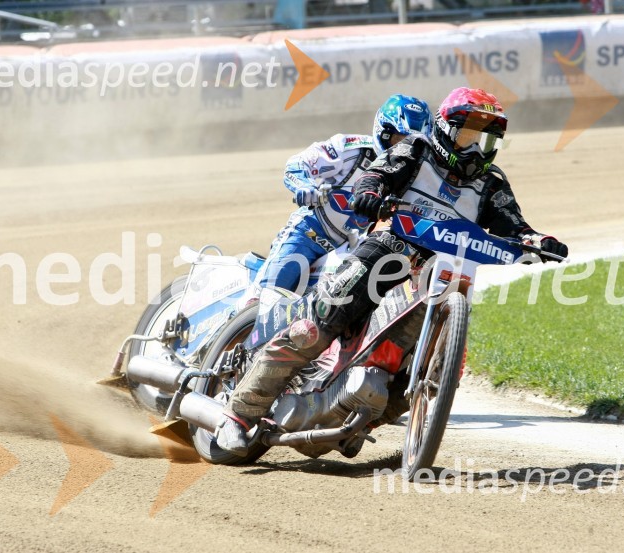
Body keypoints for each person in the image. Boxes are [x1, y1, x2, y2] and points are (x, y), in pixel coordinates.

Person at [217, 87, 568, 454]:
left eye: (486, 139)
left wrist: (539, 241)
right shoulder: (416, 150)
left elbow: (516, 226)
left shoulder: (491, 182)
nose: (476, 147)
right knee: (315, 326)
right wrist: (369, 192)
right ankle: (239, 413)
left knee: (435, 368)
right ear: (447, 129)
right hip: (388, 252)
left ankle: (364, 419)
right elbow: (377, 174)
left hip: (440, 271)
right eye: (469, 136)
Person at [251, 94, 433, 295]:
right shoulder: (350, 148)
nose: (404, 150)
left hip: (358, 250)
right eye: (399, 140)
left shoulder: (417, 175)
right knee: (266, 297)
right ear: (384, 132)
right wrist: (304, 186)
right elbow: (297, 164)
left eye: (412, 144)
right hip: (309, 234)